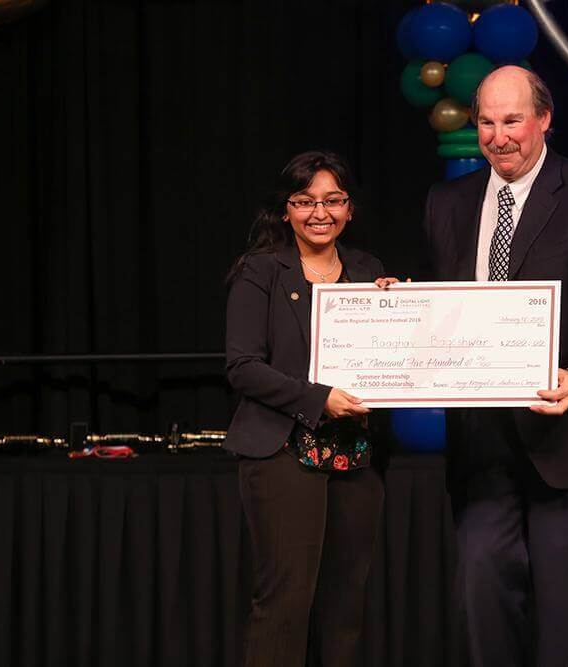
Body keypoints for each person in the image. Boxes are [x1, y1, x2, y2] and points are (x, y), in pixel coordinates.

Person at [422, 65, 568, 666]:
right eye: (486, 123)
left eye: (512, 120)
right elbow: (444, 308)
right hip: (482, 446)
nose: (499, 137)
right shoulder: (446, 201)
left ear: (544, 119)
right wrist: (398, 309)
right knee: (481, 606)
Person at [224, 150, 393, 667]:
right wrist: (319, 399)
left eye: (333, 200)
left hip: (354, 456)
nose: (320, 213)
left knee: (344, 609)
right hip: (283, 451)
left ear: (349, 208)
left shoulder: (368, 270)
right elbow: (243, 367)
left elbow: (390, 360)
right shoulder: (260, 271)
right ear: (287, 210)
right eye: (305, 201)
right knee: (286, 605)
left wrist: (404, 310)